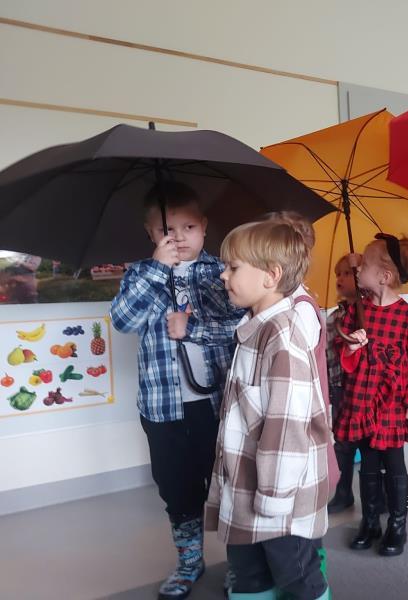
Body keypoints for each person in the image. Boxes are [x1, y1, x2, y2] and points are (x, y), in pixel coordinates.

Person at [110, 181, 244, 600]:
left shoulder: (222, 270)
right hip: (162, 407)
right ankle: (189, 561)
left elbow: (239, 325)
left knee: (228, 485)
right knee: (176, 488)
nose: (179, 237)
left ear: (204, 226)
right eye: (167, 230)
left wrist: (192, 330)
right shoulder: (140, 273)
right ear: (151, 234)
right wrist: (156, 271)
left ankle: (241, 565)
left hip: (216, 405)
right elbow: (123, 321)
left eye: (189, 227)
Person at [206, 219, 330, 600]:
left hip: (280, 500)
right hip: (246, 488)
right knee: (248, 574)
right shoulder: (254, 328)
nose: (223, 275)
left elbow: (287, 427)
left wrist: (275, 496)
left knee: (296, 576)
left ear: (270, 275)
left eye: (233, 267)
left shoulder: (282, 337)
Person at [335, 233, 408, 557]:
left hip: (392, 403)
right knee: (368, 464)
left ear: (384, 276)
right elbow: (342, 347)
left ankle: (397, 525)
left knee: (394, 462)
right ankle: (370, 521)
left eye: (363, 265)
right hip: (362, 399)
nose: (358, 269)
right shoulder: (356, 309)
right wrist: (352, 344)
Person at [326, 254, 362, 513]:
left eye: (347, 273)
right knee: (342, 442)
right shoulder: (334, 317)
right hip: (340, 386)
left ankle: (377, 494)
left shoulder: (367, 313)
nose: (340, 278)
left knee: (369, 444)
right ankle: (342, 493)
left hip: (363, 386)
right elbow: (328, 354)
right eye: (338, 274)